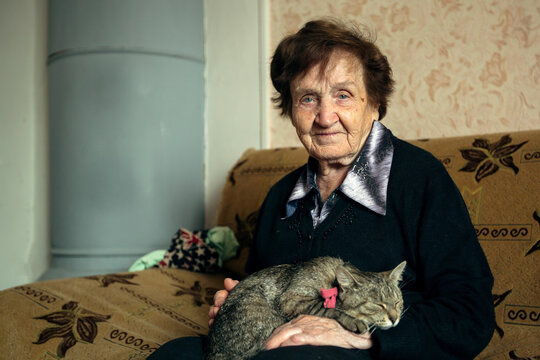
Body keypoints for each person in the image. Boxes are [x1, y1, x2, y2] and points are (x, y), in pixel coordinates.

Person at [150, 19, 494, 360]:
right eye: (308, 99)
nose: (325, 116)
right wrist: (240, 305)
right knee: (173, 355)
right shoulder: (280, 197)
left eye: (342, 95)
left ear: (374, 104)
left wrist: (359, 338)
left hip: (372, 353)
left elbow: (470, 315)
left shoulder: (420, 179)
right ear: (291, 111)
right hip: (277, 344)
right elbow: (279, 292)